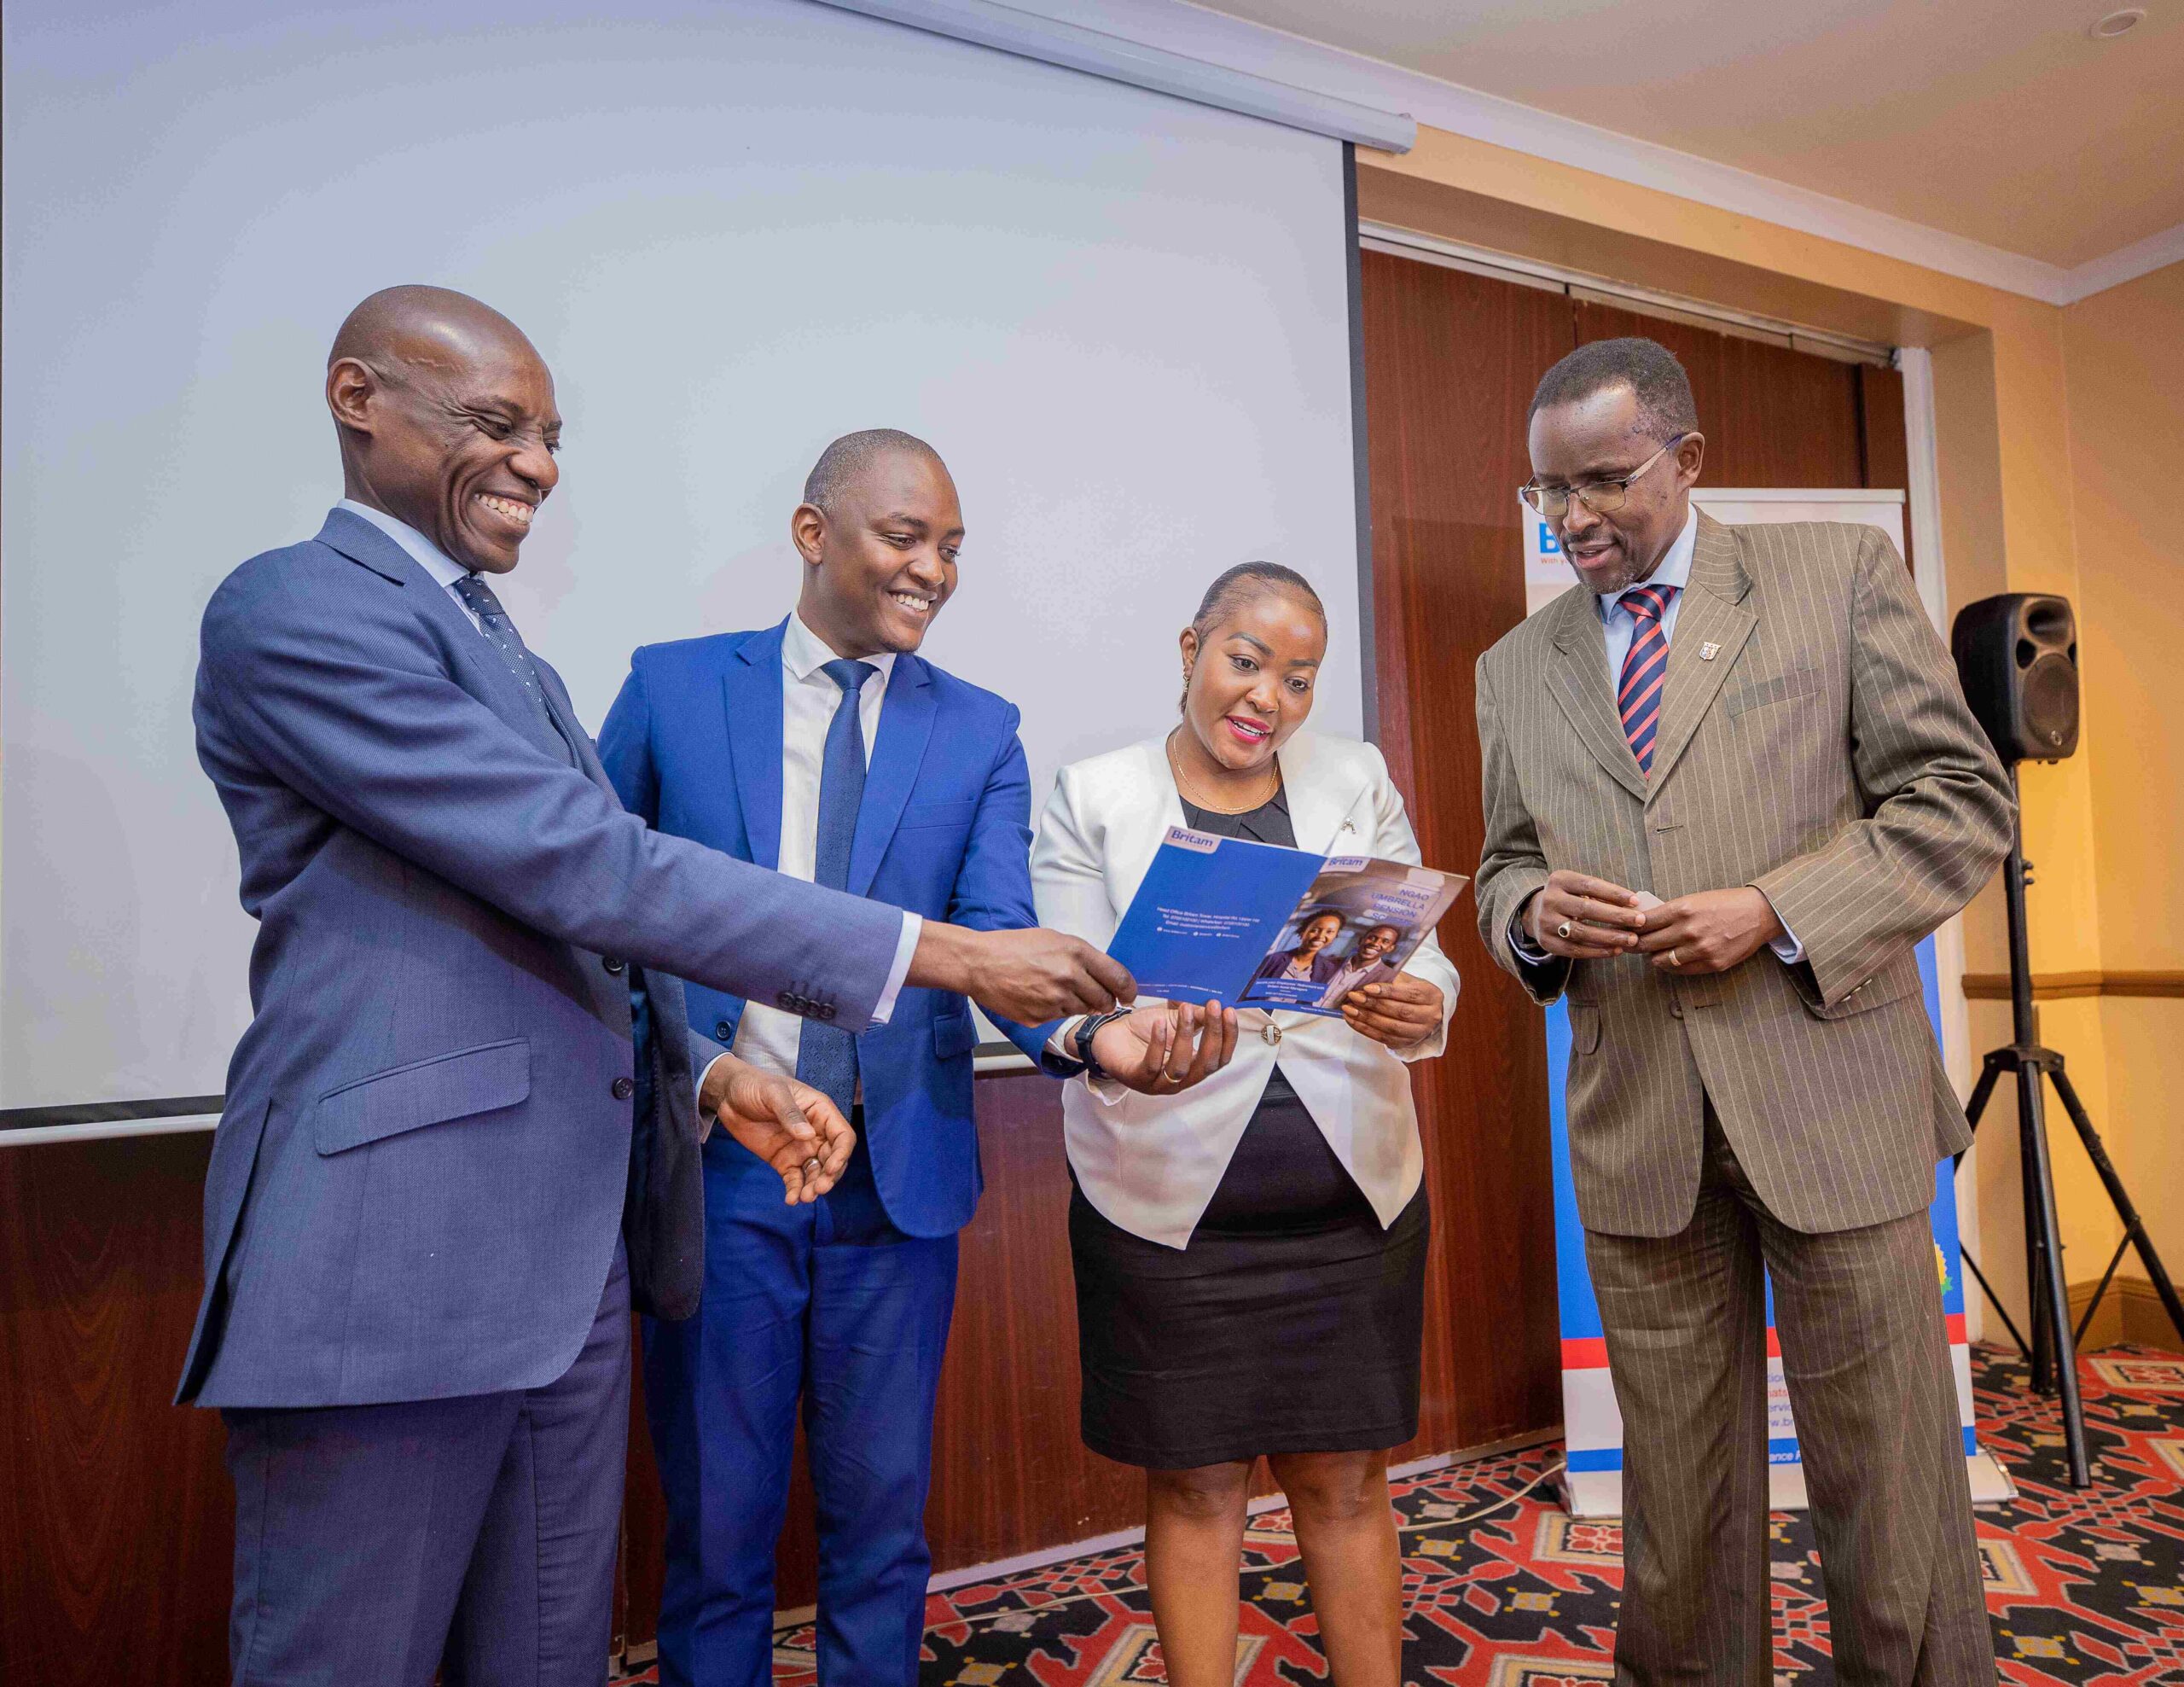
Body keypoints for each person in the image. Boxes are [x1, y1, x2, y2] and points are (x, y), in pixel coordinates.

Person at [183, 288, 1131, 1687]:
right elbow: (594, 865)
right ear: (357, 397)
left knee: (557, 1648)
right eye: (497, 424)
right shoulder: (299, 604)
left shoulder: (515, 655)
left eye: (551, 435)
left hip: (589, 1251)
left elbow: (592, 940)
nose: (541, 464)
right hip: (402, 1262)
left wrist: (710, 1071)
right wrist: (928, 949)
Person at [595, 428, 1227, 1684]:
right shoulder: (671, 691)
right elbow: (597, 911)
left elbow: (994, 942)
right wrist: (714, 1071)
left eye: (950, 547)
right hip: (726, 1167)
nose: (932, 568)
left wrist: (1099, 1036)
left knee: (881, 1526)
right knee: (717, 1529)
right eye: (905, 537)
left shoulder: (980, 729)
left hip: (899, 1185)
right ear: (811, 531)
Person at [1474, 336, 2013, 1684]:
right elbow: (1502, 866)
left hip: (1834, 1105)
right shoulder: (1514, 666)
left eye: (1604, 481)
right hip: (1640, 1129)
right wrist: (1532, 918)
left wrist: (1773, 910)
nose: (1574, 519)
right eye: (1550, 492)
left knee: (1891, 1497)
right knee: (1677, 1517)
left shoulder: (1834, 576)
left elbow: (1961, 805)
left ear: (1689, 459)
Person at [1028, 561, 1459, 1687]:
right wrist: (1118, 1041)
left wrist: (1426, 1002)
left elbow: (1428, 956)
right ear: (1191, 649)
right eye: (1247, 659)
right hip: (1167, 1218)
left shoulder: (1353, 776)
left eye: (1301, 677)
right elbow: (1065, 994)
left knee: (1349, 1484)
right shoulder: (1095, 795)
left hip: (1355, 1207)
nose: (1268, 694)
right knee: (1198, 1489)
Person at [1244, 908, 1345, 996]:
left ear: (1335, 937)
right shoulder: (1274, 959)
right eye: (1315, 930)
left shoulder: (1328, 969)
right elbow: (1248, 991)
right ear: (1302, 932)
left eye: (1330, 932)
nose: (1321, 936)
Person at [1318, 922, 1403, 1009]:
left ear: (1390, 948)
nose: (1376, 943)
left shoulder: (1390, 979)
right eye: (1372, 938)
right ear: (1361, 940)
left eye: (1385, 941)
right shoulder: (1327, 963)